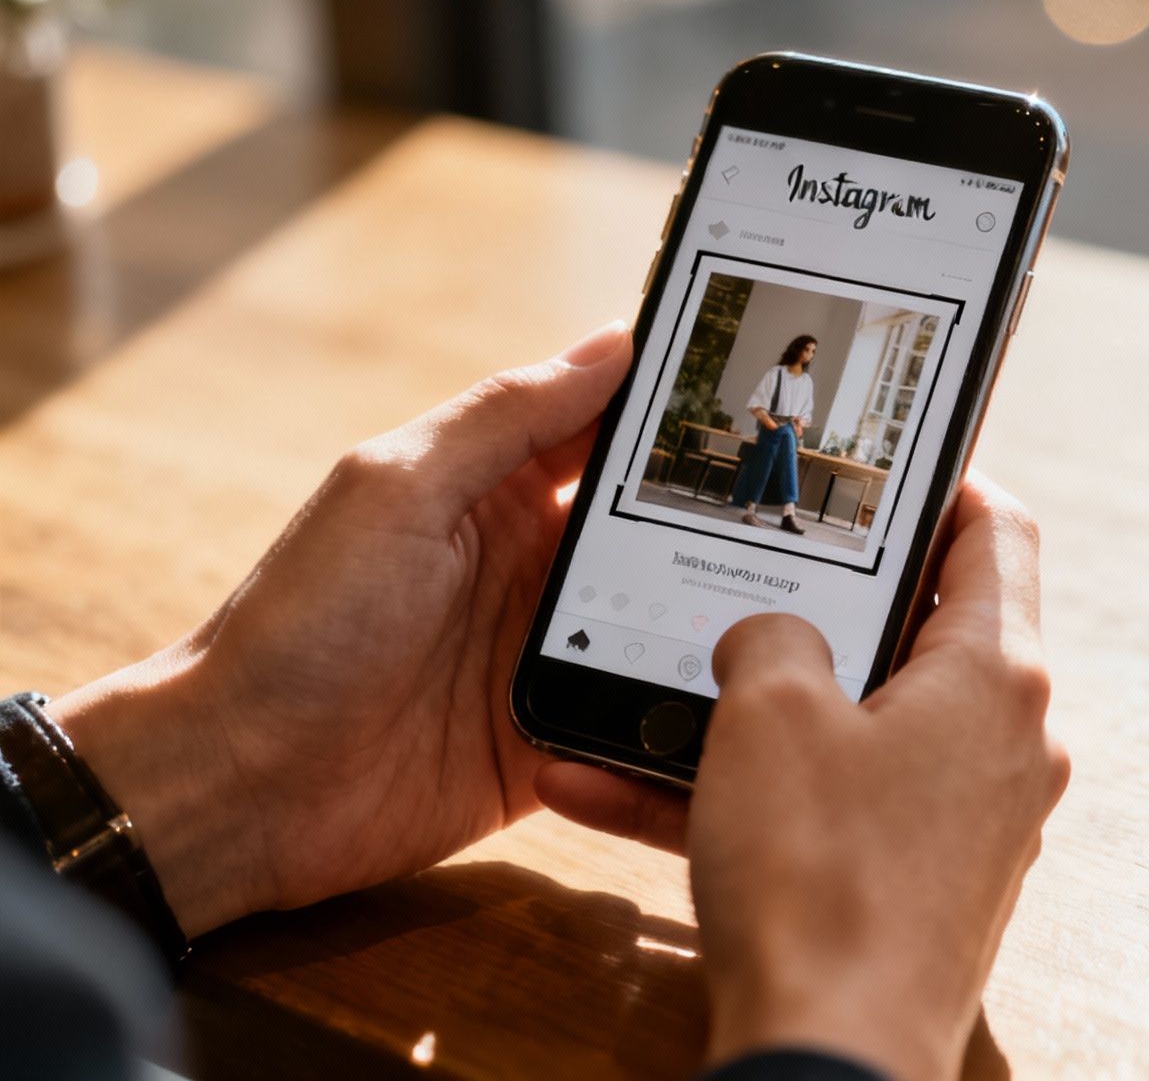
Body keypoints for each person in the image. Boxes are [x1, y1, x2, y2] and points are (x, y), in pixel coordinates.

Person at [0, 321, 1068, 1081]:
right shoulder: (59, 1015)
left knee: (773, 468)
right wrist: (862, 1010)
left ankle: (768, 514)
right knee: (771, 466)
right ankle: (770, 517)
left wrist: (226, 768)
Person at [730, 335, 818, 535]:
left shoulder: (806, 381)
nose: (810, 355)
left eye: (813, 351)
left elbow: (805, 413)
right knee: (771, 457)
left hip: (787, 428)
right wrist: (768, 421)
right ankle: (770, 511)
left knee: (784, 455)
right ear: (797, 349)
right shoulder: (776, 373)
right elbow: (757, 402)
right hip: (770, 424)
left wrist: (799, 423)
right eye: (807, 349)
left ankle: (772, 512)